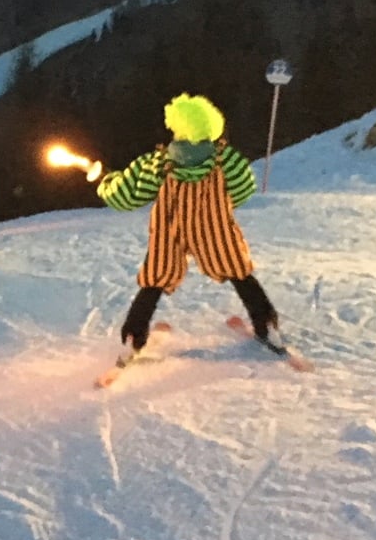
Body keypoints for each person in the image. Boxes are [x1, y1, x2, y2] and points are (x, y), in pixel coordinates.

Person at [96, 93, 280, 352]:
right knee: (236, 267)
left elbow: (125, 196)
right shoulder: (225, 158)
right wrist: (222, 204)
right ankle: (265, 321)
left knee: (157, 275)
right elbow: (244, 187)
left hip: (170, 230)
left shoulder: (158, 162)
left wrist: (107, 182)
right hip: (213, 229)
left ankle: (134, 333)